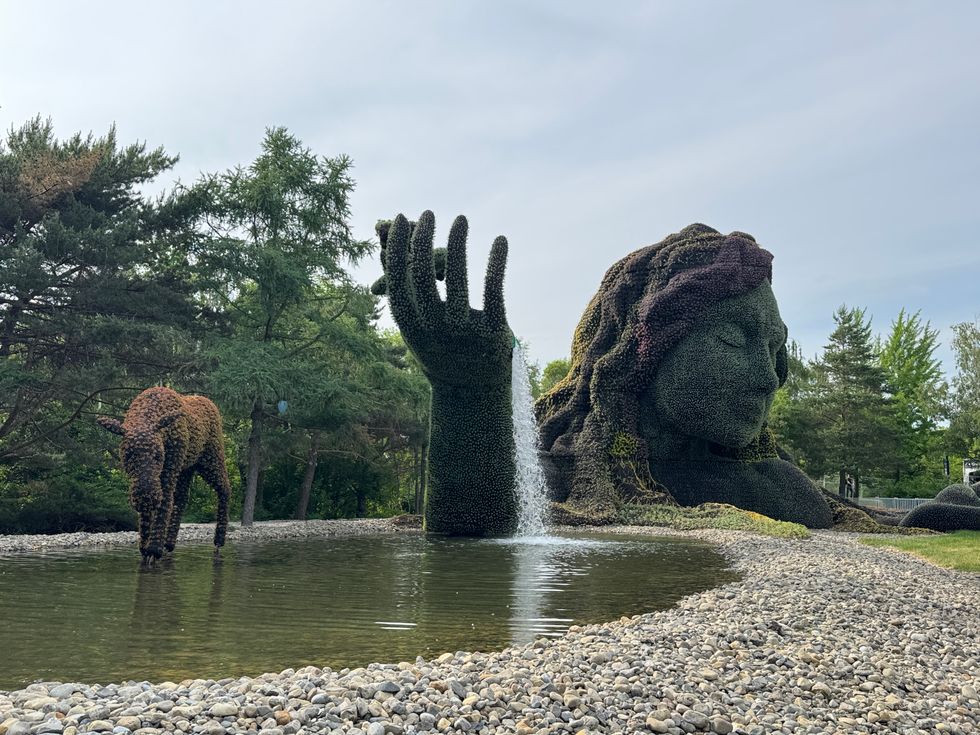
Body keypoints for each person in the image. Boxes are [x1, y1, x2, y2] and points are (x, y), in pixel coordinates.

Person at [535, 223, 833, 528]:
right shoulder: (546, 474)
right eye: (731, 339)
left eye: (773, 351)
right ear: (642, 353)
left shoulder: (779, 483)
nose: (768, 378)